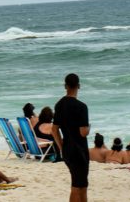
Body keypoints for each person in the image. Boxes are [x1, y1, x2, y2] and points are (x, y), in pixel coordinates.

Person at [52, 73, 90, 202]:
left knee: (81, 184)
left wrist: (61, 146)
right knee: (78, 186)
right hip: (79, 150)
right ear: (79, 86)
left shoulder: (59, 105)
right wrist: (89, 127)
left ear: (65, 86)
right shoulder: (82, 107)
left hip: (68, 149)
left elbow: (54, 129)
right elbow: (83, 132)